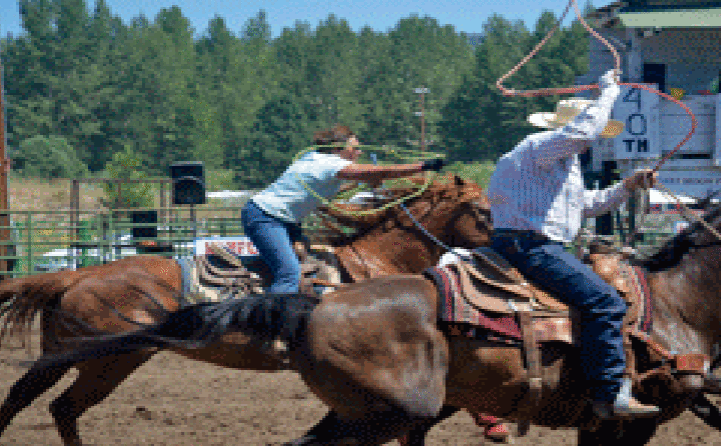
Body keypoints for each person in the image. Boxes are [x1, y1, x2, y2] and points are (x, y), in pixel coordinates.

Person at [486, 69, 661, 420]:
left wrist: (629, 185)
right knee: (607, 303)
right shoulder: (540, 147)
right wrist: (608, 92)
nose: (592, 140)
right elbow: (582, 132)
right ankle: (609, 392)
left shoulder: (561, 164)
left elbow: (588, 205)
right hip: (531, 247)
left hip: (531, 245)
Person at [242, 124, 445, 294]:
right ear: (339, 148)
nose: (359, 152)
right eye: (355, 148)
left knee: (306, 264)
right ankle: (273, 326)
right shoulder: (328, 164)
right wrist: (422, 166)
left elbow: (343, 182)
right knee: (289, 273)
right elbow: (379, 170)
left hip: (283, 220)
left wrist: (365, 181)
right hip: (266, 218)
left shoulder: (316, 159)